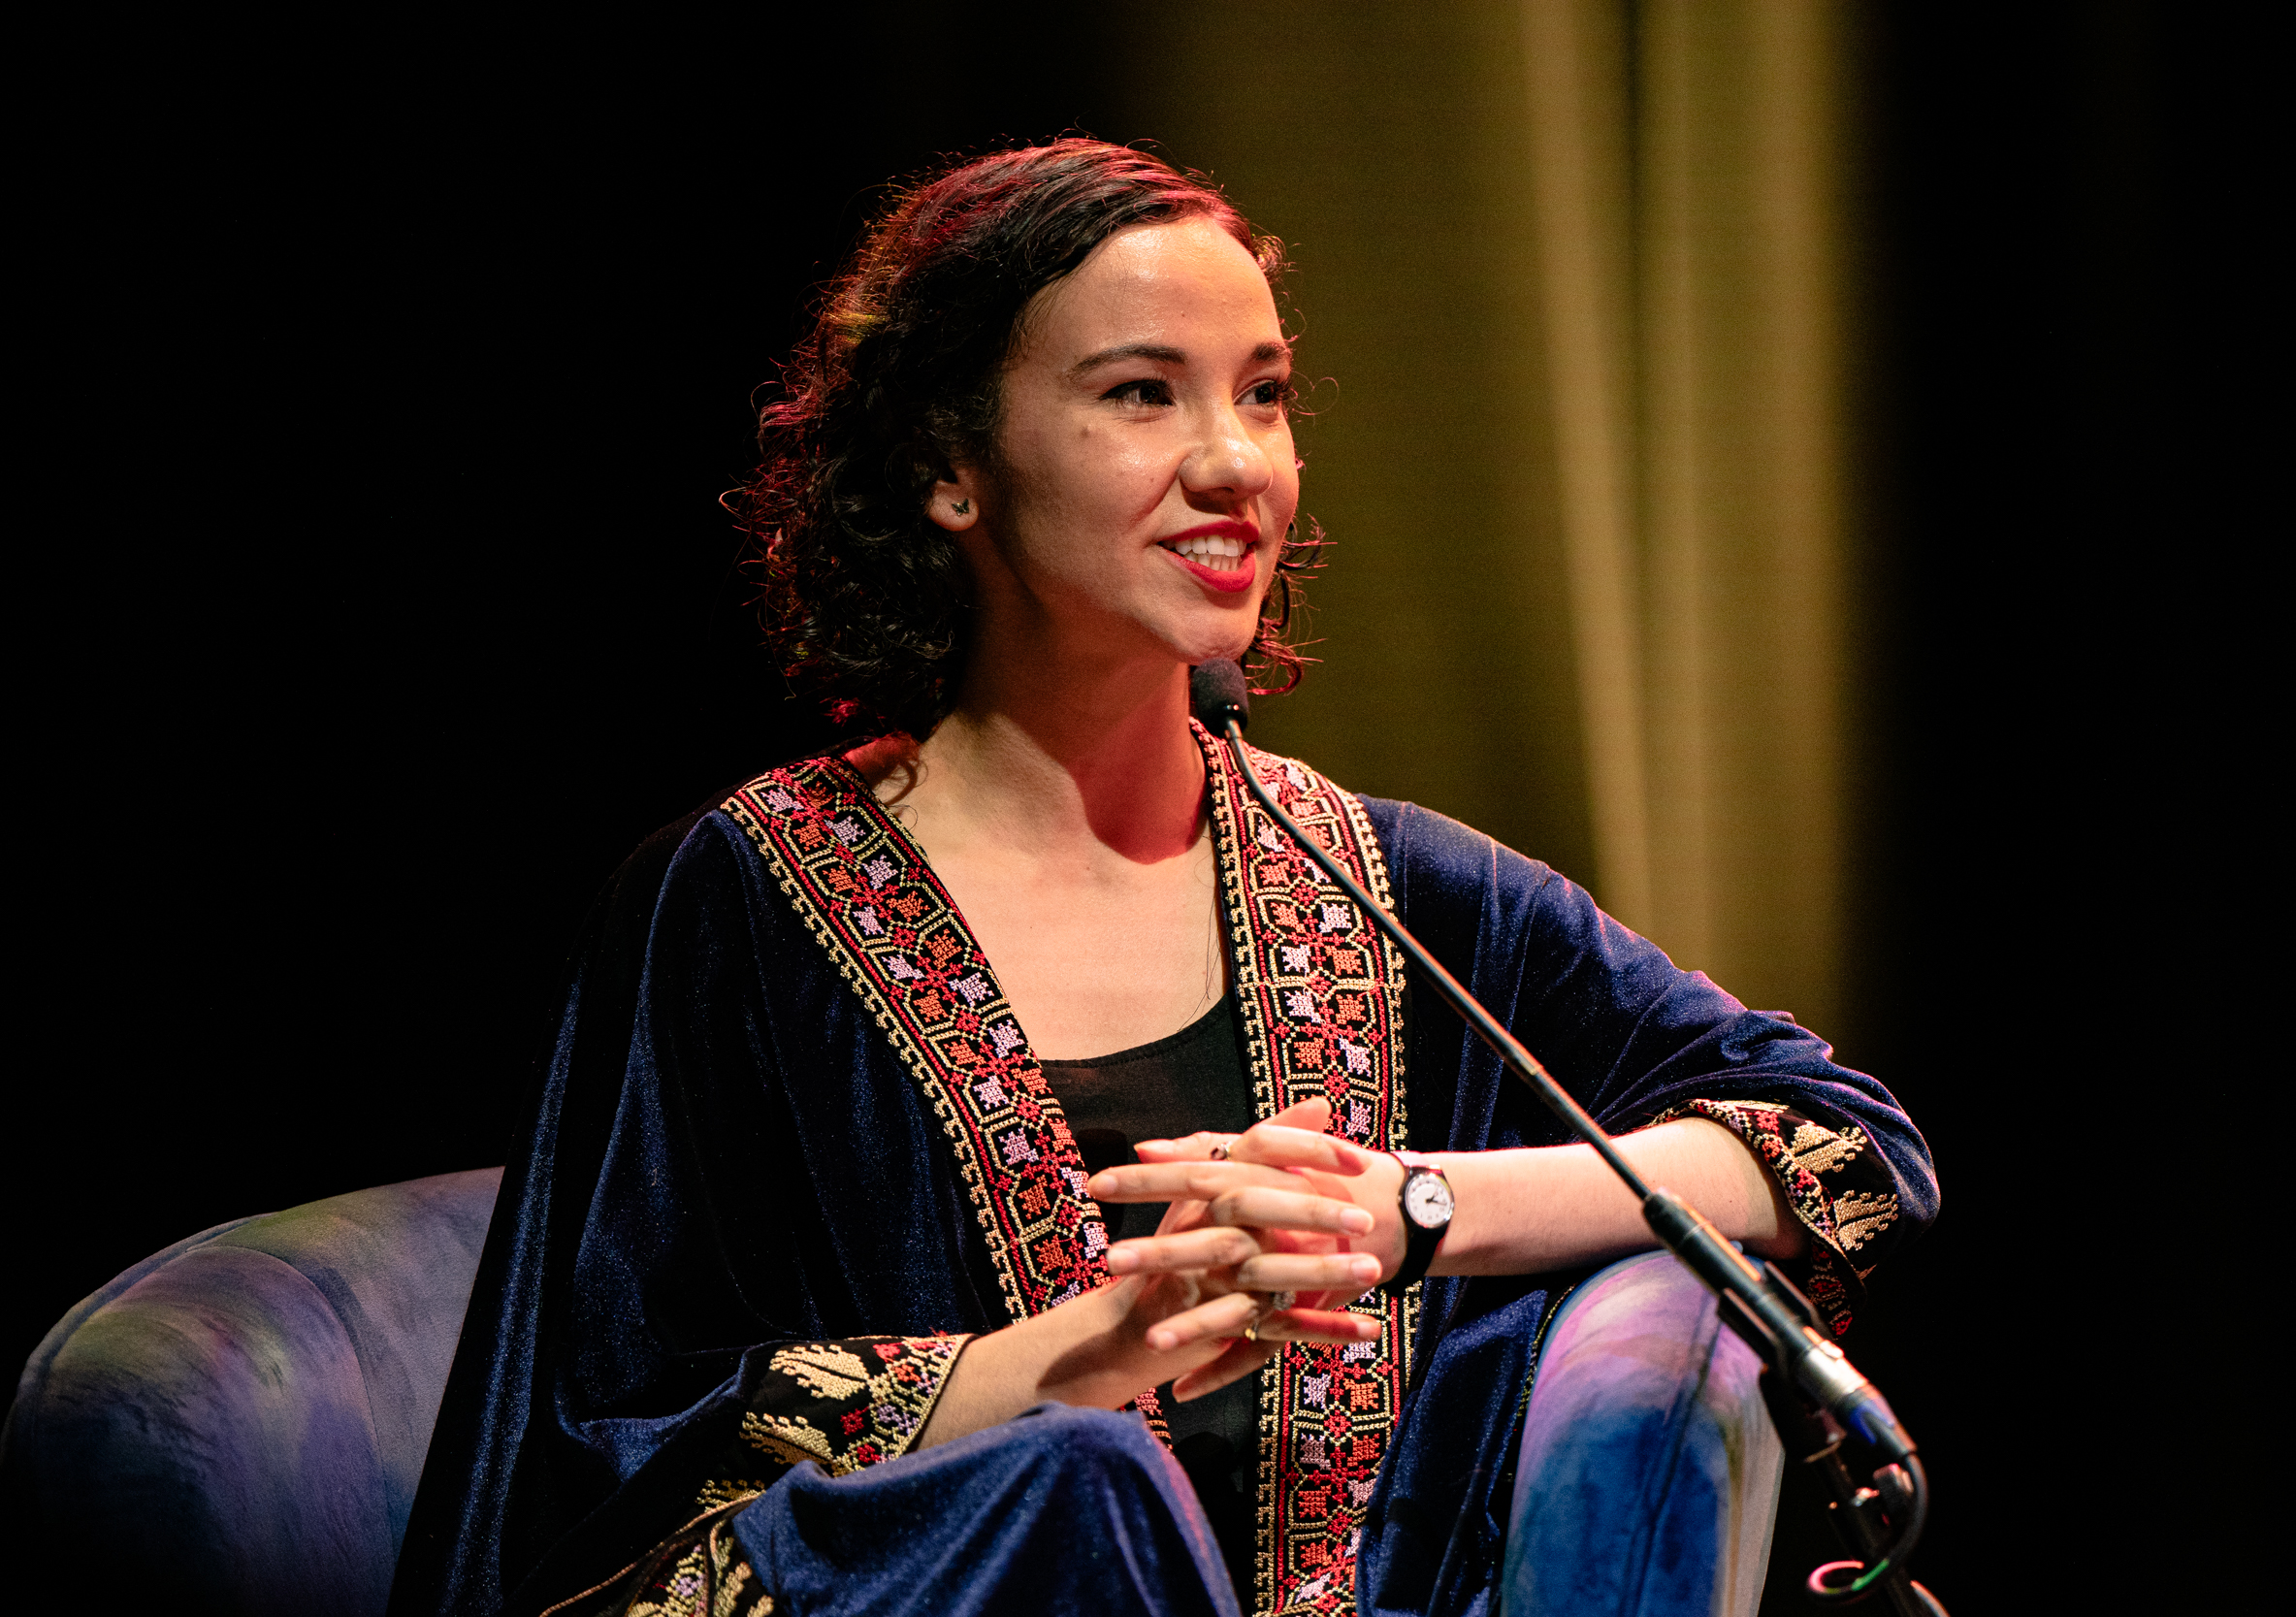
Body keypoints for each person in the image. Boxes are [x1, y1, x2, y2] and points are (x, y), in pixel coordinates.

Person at [392, 140, 1936, 1617]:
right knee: (1075, 1484)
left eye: (1263, 395)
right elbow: (608, 1437)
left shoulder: (1392, 886)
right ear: (947, 467)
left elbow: (1851, 1149)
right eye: (1143, 394)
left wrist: (1409, 1207)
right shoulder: (736, 904)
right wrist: (1081, 1358)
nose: (1234, 464)